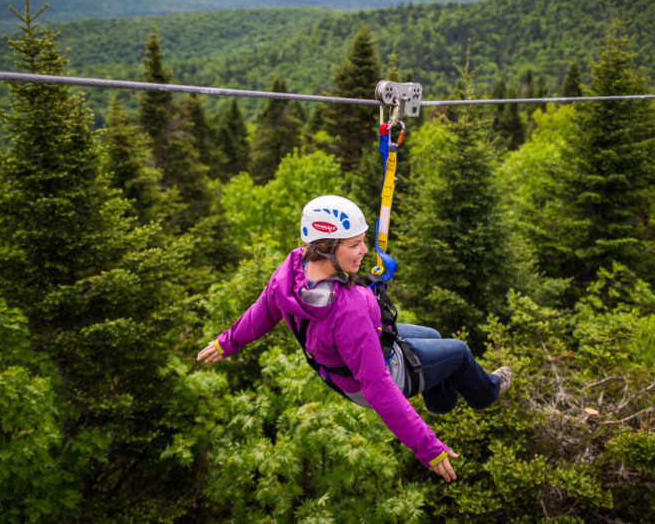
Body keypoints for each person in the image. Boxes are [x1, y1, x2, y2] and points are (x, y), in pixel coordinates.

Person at [197, 195, 512, 481]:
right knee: (457, 352)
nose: (365, 250)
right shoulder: (346, 313)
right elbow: (379, 388)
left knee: (432, 336)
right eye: (355, 245)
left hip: (354, 353)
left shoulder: (293, 267)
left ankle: (440, 403)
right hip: (378, 372)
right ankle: (487, 394)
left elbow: (262, 312)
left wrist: (228, 341)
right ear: (326, 249)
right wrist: (428, 447)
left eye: (363, 242)